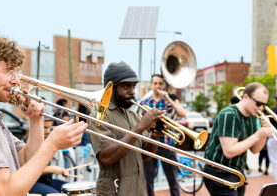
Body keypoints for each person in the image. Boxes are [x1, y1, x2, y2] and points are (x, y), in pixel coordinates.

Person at [0, 33, 88, 195]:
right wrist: (52, 144)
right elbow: (4, 192)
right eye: (8, 71)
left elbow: (27, 160)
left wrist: (35, 120)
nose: (16, 81)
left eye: (17, 73)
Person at [88, 61, 164, 196]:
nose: (132, 92)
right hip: (116, 191)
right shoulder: (99, 115)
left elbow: (146, 156)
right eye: (126, 87)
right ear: (110, 88)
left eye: (133, 87)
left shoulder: (132, 115)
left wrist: (155, 136)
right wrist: (139, 128)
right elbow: (106, 157)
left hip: (138, 188)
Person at [203, 82, 272, 196]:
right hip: (220, 171)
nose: (261, 108)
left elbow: (255, 150)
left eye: (264, 104)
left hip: (238, 172)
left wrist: (264, 134)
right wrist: (257, 136)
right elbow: (229, 152)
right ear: (245, 97)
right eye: (258, 103)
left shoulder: (251, 117)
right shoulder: (229, 115)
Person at [140, 74, 186, 196]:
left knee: (173, 180)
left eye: (160, 83)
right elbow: (141, 124)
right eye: (155, 83)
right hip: (150, 145)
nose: (158, 86)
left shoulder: (169, 103)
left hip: (167, 145)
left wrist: (169, 98)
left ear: (163, 85)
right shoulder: (145, 102)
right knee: (148, 181)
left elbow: (182, 113)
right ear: (151, 85)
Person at [26, 117, 70, 195]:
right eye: (45, 127)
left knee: (70, 188)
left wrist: (62, 171)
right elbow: (26, 170)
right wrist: (52, 169)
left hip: (46, 182)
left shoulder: (44, 142)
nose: (48, 131)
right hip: (31, 184)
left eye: (50, 127)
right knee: (56, 194)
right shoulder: (27, 144)